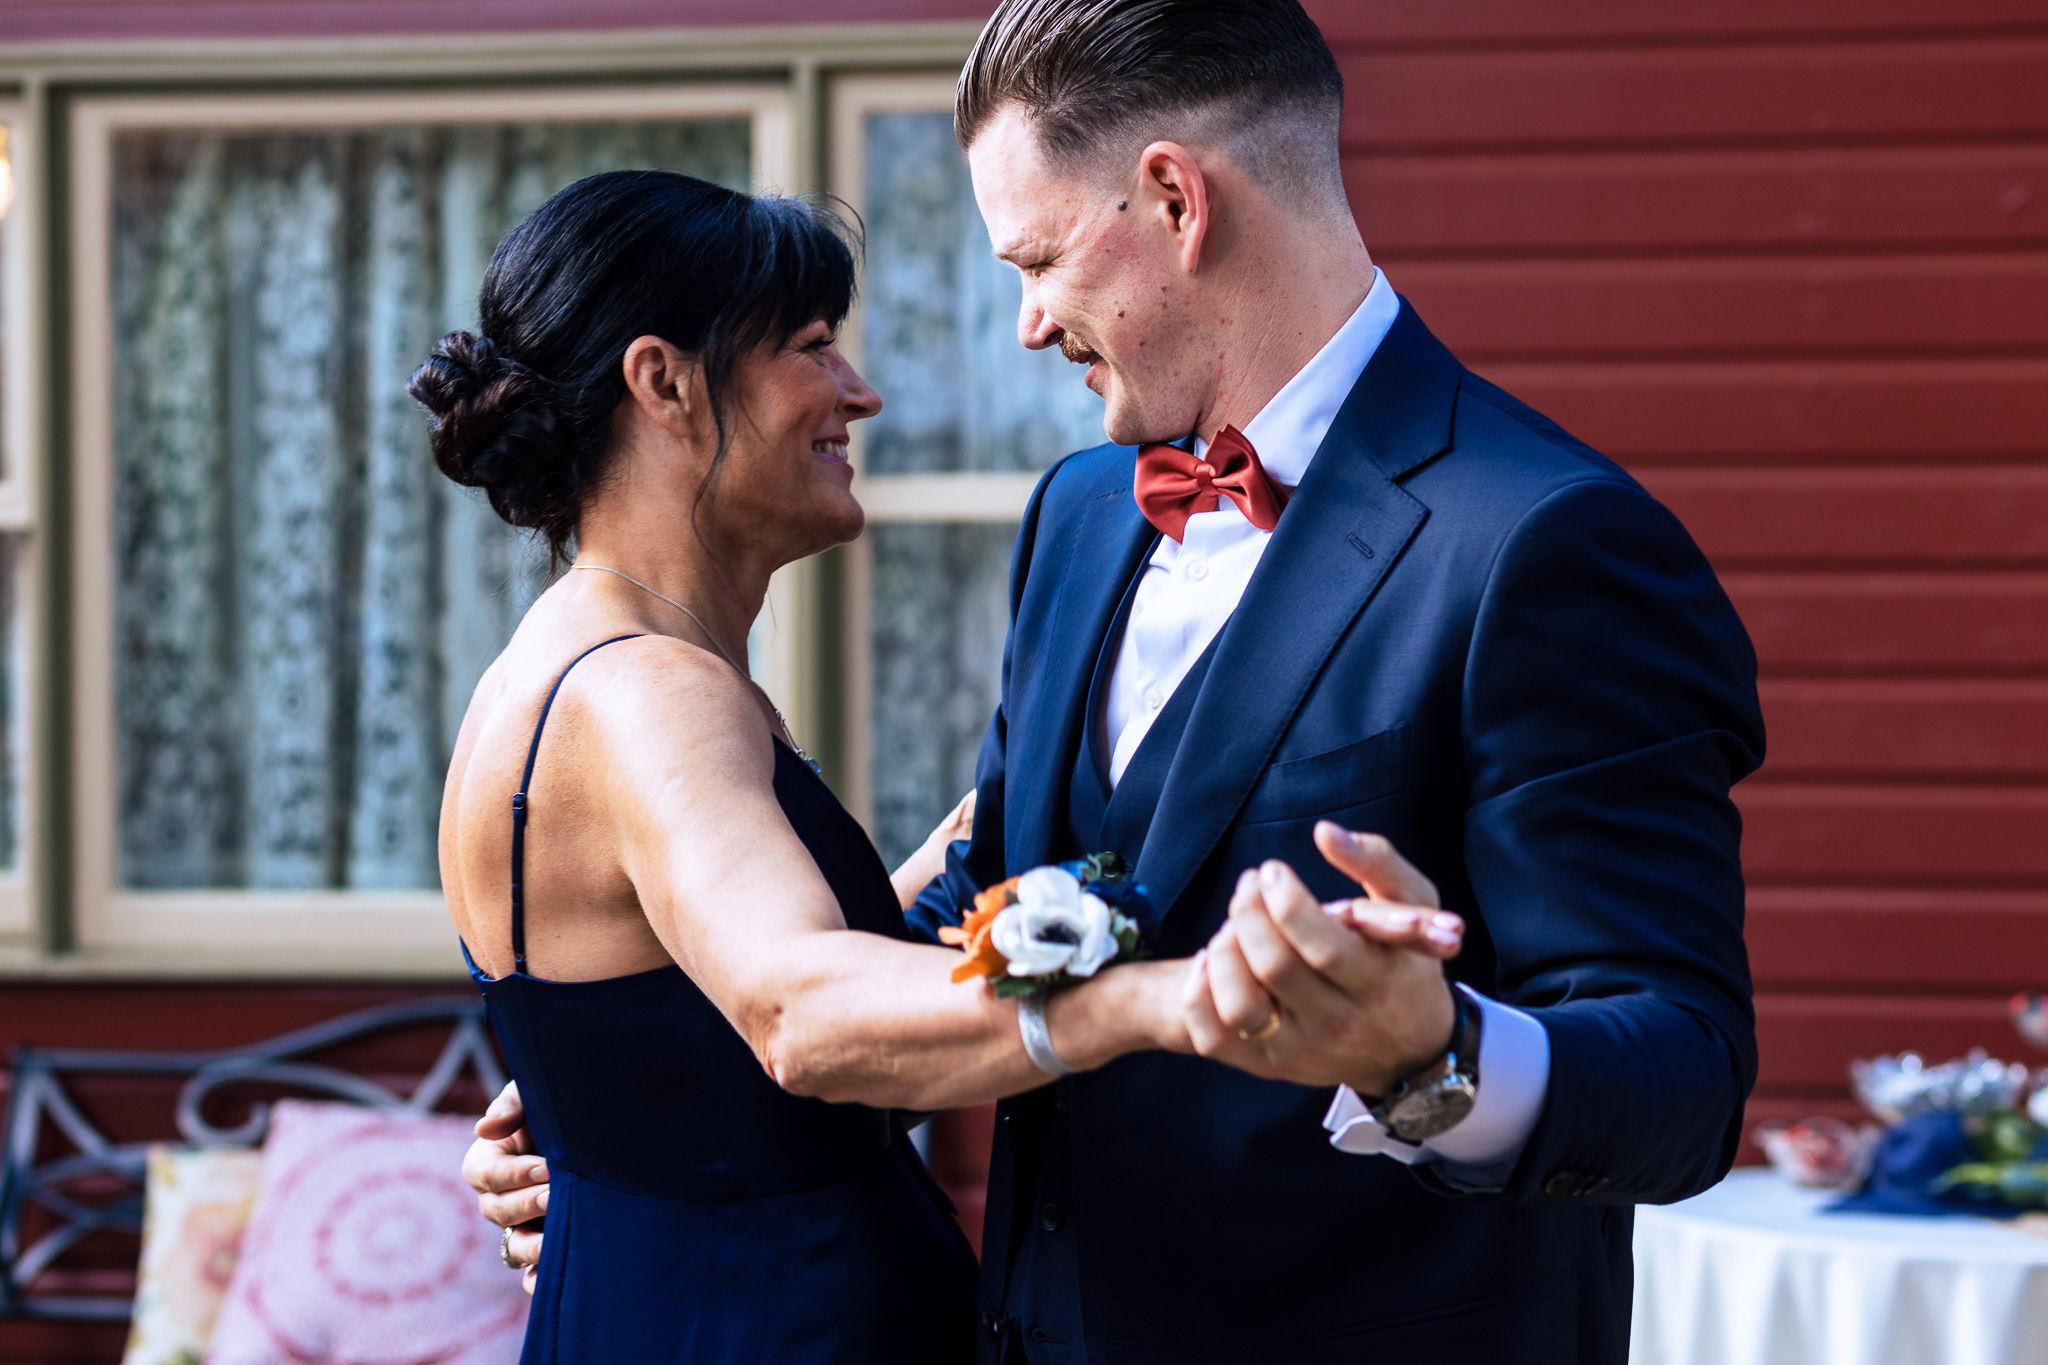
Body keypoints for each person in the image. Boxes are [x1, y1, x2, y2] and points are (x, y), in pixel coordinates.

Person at [469, 2, 1766, 1361]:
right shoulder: (1081, 517)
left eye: (1034, 259)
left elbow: (1679, 1072)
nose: (1027, 325)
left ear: (1172, 201)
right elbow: (1008, 906)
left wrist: (1425, 1054)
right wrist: (644, 1120)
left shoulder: (1545, 541)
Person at [420, 166, 1465, 1363]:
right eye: (810, 347)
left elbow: (690, 1026)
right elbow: (796, 1004)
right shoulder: (646, 691)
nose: (854, 393)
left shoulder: (568, 663)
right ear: (663, 383)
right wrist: (1165, 999)